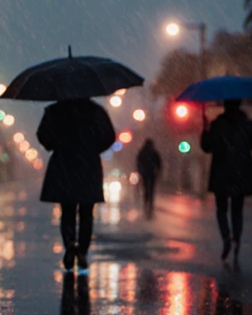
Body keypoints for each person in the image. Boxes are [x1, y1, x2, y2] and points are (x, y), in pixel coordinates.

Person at [37, 98, 117, 272]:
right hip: (88, 166)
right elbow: (110, 136)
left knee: (67, 210)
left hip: (64, 164)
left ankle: (70, 245)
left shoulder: (54, 111)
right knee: (87, 212)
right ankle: (82, 251)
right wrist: (93, 148)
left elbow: (42, 136)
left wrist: (56, 144)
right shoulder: (96, 111)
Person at [201, 100, 252, 264]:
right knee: (237, 209)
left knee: (221, 208)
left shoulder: (217, 125)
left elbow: (207, 147)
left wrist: (205, 129)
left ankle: (226, 236)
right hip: (241, 171)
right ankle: (237, 238)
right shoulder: (249, 125)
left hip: (221, 171)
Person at [135, 138, 163, 219]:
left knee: (146, 190)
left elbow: (139, 162)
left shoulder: (143, 152)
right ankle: (150, 205)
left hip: (145, 174)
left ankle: (146, 203)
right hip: (151, 174)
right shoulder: (154, 152)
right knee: (151, 190)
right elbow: (159, 163)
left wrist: (140, 171)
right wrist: (158, 171)